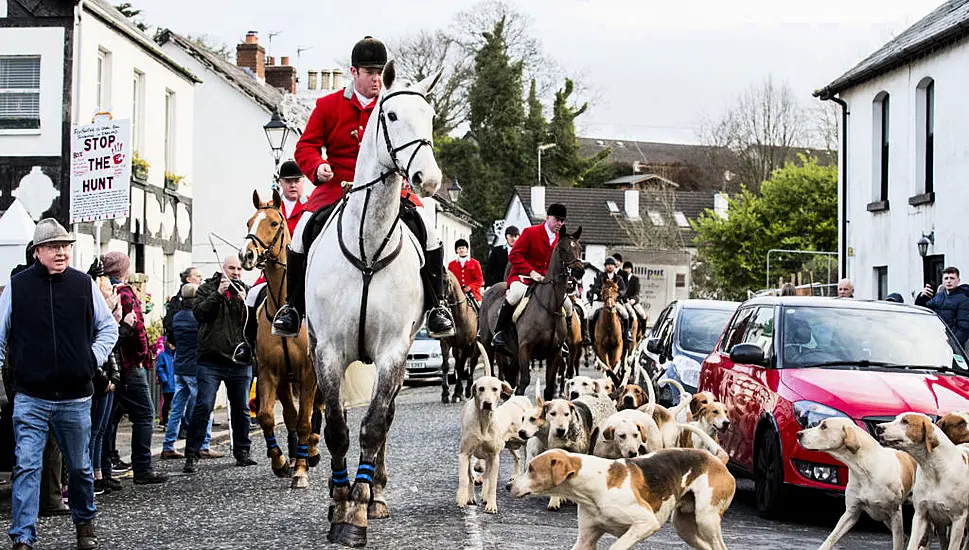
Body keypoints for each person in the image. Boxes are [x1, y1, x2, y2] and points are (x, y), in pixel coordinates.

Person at [274, 35, 453, 340]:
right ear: (354, 73)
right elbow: (306, 146)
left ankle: (437, 306)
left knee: (429, 230)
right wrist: (318, 166)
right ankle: (292, 307)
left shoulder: (395, 103)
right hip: (337, 187)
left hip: (391, 189)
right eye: (370, 72)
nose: (376, 79)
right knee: (301, 233)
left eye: (380, 72)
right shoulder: (328, 105)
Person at [0, 218, 119, 550]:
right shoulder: (18, 287)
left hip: (75, 397)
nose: (62, 252)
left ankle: (84, 524)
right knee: (26, 466)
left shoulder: (83, 284)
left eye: (66, 246)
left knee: (80, 467)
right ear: (38, 252)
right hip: (31, 396)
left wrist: (89, 359)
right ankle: (23, 536)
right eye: (54, 246)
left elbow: (108, 328)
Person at [183, 256, 257, 473]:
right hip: (211, 359)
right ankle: (192, 453)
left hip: (239, 360)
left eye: (239, 269)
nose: (236, 272)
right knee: (204, 405)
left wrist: (247, 305)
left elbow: (255, 323)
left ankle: (242, 451)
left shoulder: (246, 290)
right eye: (232, 268)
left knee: (242, 409)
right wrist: (218, 294)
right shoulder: (207, 288)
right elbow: (200, 313)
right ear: (223, 269)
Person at [101, 251, 169, 485]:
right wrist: (143, 356)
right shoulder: (124, 292)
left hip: (112, 365)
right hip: (129, 363)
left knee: (109, 418)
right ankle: (142, 467)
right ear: (123, 269)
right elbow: (137, 328)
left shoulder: (102, 289)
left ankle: (105, 470)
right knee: (144, 414)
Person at [244, 159, 307, 349]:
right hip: (273, 272)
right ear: (281, 183)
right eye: (288, 181)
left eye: (297, 180)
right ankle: (246, 345)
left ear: (303, 181)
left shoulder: (311, 206)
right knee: (252, 296)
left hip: (305, 272)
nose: (293, 185)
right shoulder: (268, 208)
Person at [492, 203, 574, 349]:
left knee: (567, 305)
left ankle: (563, 340)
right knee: (514, 295)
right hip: (523, 277)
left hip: (547, 283)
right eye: (557, 219)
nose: (560, 223)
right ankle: (499, 332)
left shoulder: (559, 240)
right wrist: (531, 272)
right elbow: (514, 255)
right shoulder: (531, 232)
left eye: (563, 221)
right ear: (548, 217)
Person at [161, 283, 218, 460]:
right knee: (205, 406)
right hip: (195, 367)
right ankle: (205, 445)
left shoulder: (177, 317)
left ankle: (168, 444)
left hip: (180, 367)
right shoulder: (197, 318)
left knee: (177, 408)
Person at [915, 266, 969, 344]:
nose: (949, 281)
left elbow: (964, 328)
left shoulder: (964, 300)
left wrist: (952, 344)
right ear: (942, 281)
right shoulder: (939, 296)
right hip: (936, 339)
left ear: (958, 281)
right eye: (946, 278)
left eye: (952, 278)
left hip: (951, 344)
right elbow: (923, 311)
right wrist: (922, 297)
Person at [588, 257, 633, 344]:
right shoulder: (600, 276)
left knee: (625, 314)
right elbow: (595, 287)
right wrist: (601, 292)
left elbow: (623, 290)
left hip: (614, 301)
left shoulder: (619, 278)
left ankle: (627, 334)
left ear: (615, 266)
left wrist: (616, 295)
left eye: (611, 265)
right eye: (608, 265)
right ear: (605, 266)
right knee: (591, 315)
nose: (609, 266)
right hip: (601, 301)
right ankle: (590, 336)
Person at [164, 267, 203, 351]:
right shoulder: (177, 301)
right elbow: (169, 324)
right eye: (197, 276)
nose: (201, 279)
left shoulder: (203, 298)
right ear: (188, 279)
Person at [154, 338, 175, 428]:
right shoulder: (163, 355)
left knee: (174, 403)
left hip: (175, 382)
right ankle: (164, 420)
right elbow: (160, 368)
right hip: (168, 383)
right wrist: (164, 379)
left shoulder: (175, 355)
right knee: (167, 402)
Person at [621, 261, 647, 325]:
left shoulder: (636, 279)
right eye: (625, 268)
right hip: (623, 301)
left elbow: (637, 292)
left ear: (631, 269)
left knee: (643, 314)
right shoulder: (621, 279)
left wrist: (633, 299)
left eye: (628, 268)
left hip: (633, 301)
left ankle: (643, 333)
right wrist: (624, 298)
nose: (626, 270)